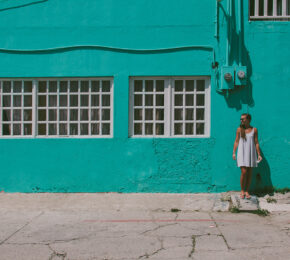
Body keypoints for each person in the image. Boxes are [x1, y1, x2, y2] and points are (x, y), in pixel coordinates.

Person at [232, 113, 262, 199]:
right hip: (242, 152)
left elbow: (256, 142)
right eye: (240, 119)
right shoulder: (239, 129)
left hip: (251, 153)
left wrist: (259, 154)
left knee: (249, 173)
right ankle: (242, 190)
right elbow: (236, 141)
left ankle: (247, 191)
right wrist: (234, 152)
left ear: (248, 120)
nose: (241, 120)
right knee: (244, 172)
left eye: (243, 119)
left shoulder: (254, 130)